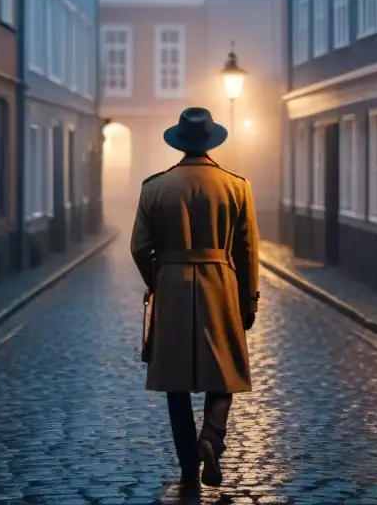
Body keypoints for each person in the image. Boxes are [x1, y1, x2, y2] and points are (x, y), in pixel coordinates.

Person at [130, 107, 260, 491]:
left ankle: (189, 466)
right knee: (226, 372)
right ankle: (212, 438)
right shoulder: (237, 186)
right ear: (211, 140)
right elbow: (248, 248)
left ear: (180, 142)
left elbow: (139, 247)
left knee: (176, 383)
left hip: (171, 284)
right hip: (221, 281)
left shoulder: (154, 187)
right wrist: (247, 300)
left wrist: (160, 279)